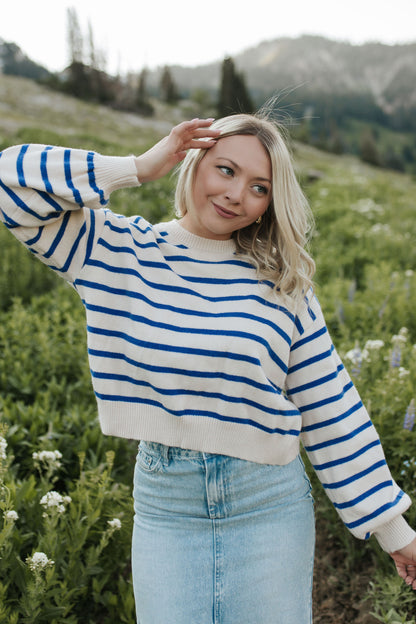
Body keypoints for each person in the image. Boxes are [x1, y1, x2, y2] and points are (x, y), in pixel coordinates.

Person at [0, 112, 415, 624]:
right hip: (166, 509)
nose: (238, 194)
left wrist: (395, 532)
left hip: (268, 504)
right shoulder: (117, 251)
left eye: (259, 187)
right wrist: (138, 166)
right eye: (226, 169)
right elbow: (9, 182)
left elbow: (331, 408)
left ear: (270, 203)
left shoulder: (282, 283)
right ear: (193, 162)